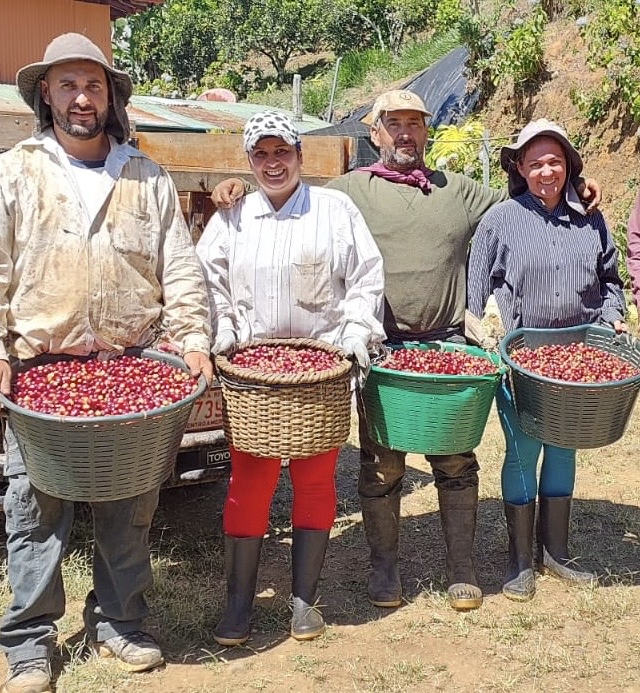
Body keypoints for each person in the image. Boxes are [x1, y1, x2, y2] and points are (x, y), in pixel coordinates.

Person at [210, 90, 602, 613]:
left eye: (414, 123)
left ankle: (461, 568)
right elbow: (287, 197)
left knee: (455, 458)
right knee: (380, 464)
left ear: (427, 131)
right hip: (382, 350)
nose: (404, 133)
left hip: (447, 346)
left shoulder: (458, 191)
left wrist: (574, 183)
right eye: (392, 123)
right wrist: (230, 188)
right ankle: (384, 567)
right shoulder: (349, 192)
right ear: (374, 133)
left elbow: (523, 198)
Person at [0, 33, 213, 693]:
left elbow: (180, 271)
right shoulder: (12, 172)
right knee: (36, 511)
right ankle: (30, 645)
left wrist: (193, 340)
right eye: (67, 84)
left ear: (109, 96)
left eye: (93, 85)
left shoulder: (144, 176)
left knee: (129, 507)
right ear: (46, 92)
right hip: (41, 372)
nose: (81, 97)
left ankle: (121, 622)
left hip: (131, 370)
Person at [196, 110, 385, 645]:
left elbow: (366, 280)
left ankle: (304, 600)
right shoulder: (234, 216)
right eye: (262, 154)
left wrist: (352, 338)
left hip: (318, 371)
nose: (273, 163)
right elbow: (209, 281)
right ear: (250, 161)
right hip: (253, 375)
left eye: (283, 153)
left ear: (301, 156)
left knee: (315, 479)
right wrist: (226, 332)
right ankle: (239, 604)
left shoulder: (333, 210)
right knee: (250, 483)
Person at [468, 118, 626, 602]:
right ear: (518, 167)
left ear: (570, 165)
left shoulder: (590, 218)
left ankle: (554, 551)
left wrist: (614, 317)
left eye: (555, 161)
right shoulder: (501, 220)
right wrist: (481, 338)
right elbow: (475, 295)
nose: (546, 171)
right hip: (521, 359)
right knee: (523, 449)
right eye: (534, 163)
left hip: (578, 356)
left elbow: (611, 281)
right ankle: (519, 560)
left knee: (564, 446)